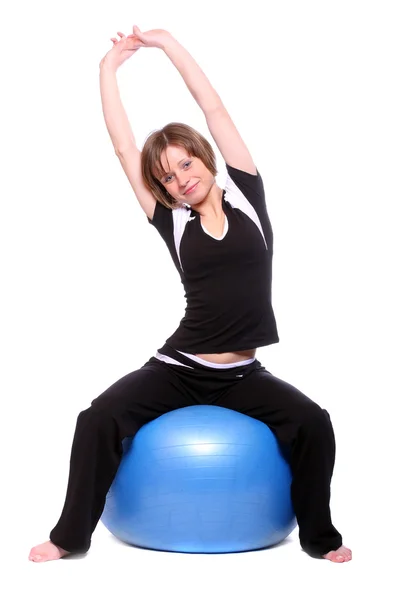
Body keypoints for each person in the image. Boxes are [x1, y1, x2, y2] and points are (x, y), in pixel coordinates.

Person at [29, 26, 352, 563]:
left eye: (185, 163)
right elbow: (122, 146)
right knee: (96, 419)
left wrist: (168, 46)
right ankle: (69, 537)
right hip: (178, 366)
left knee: (315, 422)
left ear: (204, 158)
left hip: (244, 375)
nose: (181, 179)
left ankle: (320, 538)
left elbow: (215, 107)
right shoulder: (170, 221)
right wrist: (107, 69)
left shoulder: (248, 193)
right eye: (168, 176)